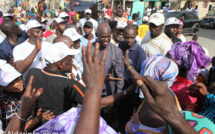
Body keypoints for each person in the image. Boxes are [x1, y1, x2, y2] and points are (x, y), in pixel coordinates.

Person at [93, 23, 124, 129]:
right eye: (103, 37)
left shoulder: (117, 51)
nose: (106, 39)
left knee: (107, 126)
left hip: (109, 97)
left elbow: (120, 77)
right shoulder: (90, 49)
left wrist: (115, 99)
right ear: (97, 35)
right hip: (94, 95)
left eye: (108, 36)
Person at [167, 41, 211, 111]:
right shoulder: (193, 89)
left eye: (169, 61)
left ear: (179, 66)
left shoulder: (183, 91)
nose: (164, 62)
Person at [117, 25, 146, 132]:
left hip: (130, 89)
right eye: (127, 37)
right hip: (119, 85)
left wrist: (133, 91)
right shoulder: (121, 45)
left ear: (136, 36)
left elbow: (139, 75)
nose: (129, 40)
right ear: (123, 36)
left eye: (132, 38)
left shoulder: (140, 53)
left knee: (126, 116)